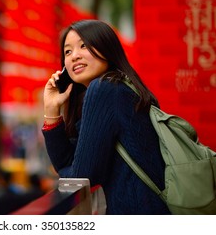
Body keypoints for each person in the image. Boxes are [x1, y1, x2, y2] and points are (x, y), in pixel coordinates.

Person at [42, 19, 170, 215]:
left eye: (83, 46)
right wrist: (51, 110)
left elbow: (80, 178)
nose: (75, 56)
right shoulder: (120, 87)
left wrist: (71, 169)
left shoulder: (104, 88)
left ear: (107, 48)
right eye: (68, 51)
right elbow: (68, 166)